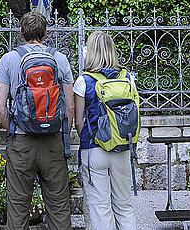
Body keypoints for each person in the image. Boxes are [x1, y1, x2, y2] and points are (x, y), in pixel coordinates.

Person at [0, 11, 74, 230]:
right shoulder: (59, 59)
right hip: (53, 142)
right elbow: (70, 107)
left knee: (18, 206)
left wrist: (13, 129)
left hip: (21, 143)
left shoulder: (9, 60)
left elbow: (0, 109)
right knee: (58, 206)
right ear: (46, 33)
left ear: (21, 33)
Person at [74, 31, 137, 230]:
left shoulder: (83, 81)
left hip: (94, 150)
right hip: (122, 148)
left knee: (100, 207)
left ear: (91, 52)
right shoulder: (128, 78)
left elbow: (78, 122)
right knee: (124, 205)